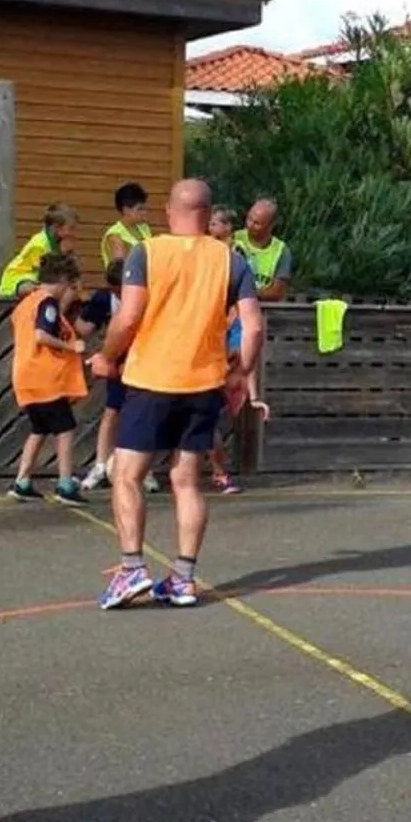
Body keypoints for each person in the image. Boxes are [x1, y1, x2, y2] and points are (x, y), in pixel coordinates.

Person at [88, 179, 266, 610]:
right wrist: (239, 372)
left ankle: (132, 570)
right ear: (208, 215)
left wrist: (107, 358)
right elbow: (255, 327)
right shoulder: (230, 259)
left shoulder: (147, 252)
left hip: (152, 379)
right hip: (203, 383)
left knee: (126, 474)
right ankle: (183, 578)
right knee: (187, 482)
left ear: (171, 211)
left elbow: (128, 317)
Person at [6, 251, 88, 507]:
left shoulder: (27, 302)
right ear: (61, 280)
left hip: (27, 376)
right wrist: (70, 347)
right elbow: (42, 335)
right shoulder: (47, 302)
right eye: (69, 285)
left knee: (39, 429)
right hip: (45, 379)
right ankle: (65, 483)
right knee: (65, 429)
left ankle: (22, 481)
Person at [74, 260, 157, 496]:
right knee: (112, 411)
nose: (119, 293)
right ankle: (100, 465)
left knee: (144, 413)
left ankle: (145, 469)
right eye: (114, 290)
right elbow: (83, 328)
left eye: (122, 288)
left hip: (144, 360)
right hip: (116, 360)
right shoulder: (104, 299)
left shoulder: (148, 297)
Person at [209, 207, 268, 494]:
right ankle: (212, 472)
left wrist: (253, 394)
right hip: (206, 366)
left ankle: (217, 472)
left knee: (211, 425)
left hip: (220, 367)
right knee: (205, 425)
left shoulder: (235, 260)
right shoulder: (203, 256)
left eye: (215, 223)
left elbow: (249, 348)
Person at [0, 203, 81, 299]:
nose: (74, 233)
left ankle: (58, 312)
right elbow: (44, 274)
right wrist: (62, 254)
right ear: (56, 228)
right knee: (35, 288)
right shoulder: (40, 245)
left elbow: (70, 271)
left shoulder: (60, 242)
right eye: (71, 228)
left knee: (71, 289)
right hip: (19, 278)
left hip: (40, 279)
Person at [236, 197, 293, 301]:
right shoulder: (234, 239)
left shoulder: (281, 251)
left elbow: (277, 293)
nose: (250, 225)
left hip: (266, 309)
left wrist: (244, 292)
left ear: (271, 226)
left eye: (257, 223)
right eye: (249, 219)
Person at [100, 183, 153, 269]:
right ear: (126, 210)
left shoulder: (144, 228)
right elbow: (120, 268)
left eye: (145, 208)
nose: (144, 212)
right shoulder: (115, 235)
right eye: (140, 209)